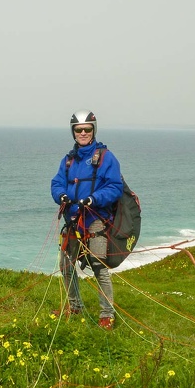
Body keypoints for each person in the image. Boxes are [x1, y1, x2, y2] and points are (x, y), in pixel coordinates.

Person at [51, 110, 124, 330]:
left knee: (98, 266)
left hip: (95, 219)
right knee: (66, 265)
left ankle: (107, 314)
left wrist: (94, 198)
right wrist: (61, 195)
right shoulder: (68, 160)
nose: (83, 133)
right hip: (73, 219)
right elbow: (57, 183)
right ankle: (75, 306)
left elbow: (115, 187)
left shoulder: (106, 157)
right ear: (73, 132)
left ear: (94, 130)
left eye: (87, 129)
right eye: (78, 130)